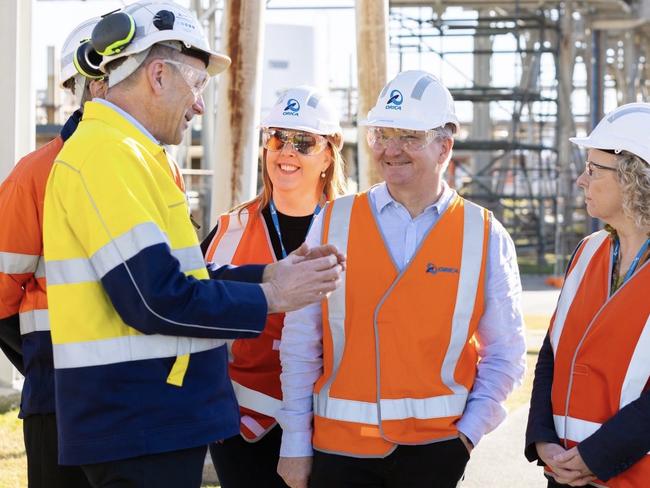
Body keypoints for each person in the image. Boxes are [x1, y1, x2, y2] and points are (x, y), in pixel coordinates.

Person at [42, 2, 343, 487]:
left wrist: (268, 274)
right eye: (197, 85)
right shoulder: (108, 155)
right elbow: (153, 299)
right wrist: (271, 297)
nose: (200, 105)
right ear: (158, 75)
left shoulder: (131, 155)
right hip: (139, 420)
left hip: (146, 416)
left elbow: (181, 278)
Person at [276, 69, 527, 488]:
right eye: (382, 135)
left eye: (408, 137)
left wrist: (466, 436)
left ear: (444, 146)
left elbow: (506, 353)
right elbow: (302, 341)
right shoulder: (333, 221)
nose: (391, 150)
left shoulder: (483, 234)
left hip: (435, 455)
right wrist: (295, 445)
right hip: (340, 453)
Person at [202, 85, 347, 488]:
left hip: (330, 422)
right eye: (277, 138)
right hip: (242, 430)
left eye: (304, 142)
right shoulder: (229, 230)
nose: (287, 152)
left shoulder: (357, 227)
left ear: (328, 153)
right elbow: (192, 309)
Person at [0, 17, 107, 488]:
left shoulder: (160, 169)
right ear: (82, 84)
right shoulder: (35, 174)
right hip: (58, 391)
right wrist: (39, 359)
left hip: (138, 393)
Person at [525, 103, 650, 488]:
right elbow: (552, 354)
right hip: (563, 472)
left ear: (634, 178)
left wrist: (597, 456)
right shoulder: (588, 251)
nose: (581, 180)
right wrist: (542, 437)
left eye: (593, 170)